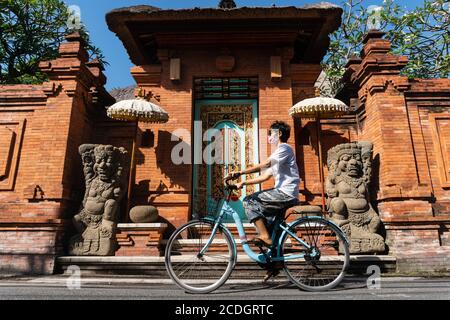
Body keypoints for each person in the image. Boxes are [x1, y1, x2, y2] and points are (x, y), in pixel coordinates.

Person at [226, 120, 300, 247]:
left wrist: (240, 172)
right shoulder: (279, 152)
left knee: (249, 201)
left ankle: (265, 236)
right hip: (284, 192)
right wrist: (243, 182)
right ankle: (275, 256)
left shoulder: (284, 148)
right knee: (270, 223)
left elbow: (266, 164)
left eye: (271, 133)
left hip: (286, 192)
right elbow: (265, 176)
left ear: (279, 133)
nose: (269, 137)